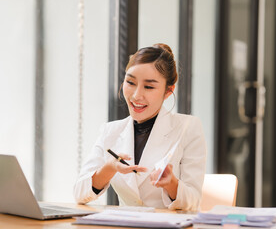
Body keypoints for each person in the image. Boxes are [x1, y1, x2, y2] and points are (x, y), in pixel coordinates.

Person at [73, 43, 206, 211]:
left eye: (149, 87)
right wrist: (110, 167)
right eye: (130, 82)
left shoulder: (188, 127)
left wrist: (171, 184)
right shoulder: (110, 131)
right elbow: (79, 193)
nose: (136, 95)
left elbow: (193, 201)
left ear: (168, 91)